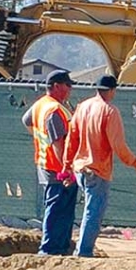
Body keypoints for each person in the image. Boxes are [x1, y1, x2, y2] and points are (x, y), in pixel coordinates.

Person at [63, 74, 136, 257]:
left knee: (89, 209)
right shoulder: (110, 111)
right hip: (97, 169)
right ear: (112, 91)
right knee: (93, 213)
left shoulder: (83, 107)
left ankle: (82, 250)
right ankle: (83, 252)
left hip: (80, 168)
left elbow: (72, 138)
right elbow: (118, 145)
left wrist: (67, 164)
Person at [22, 69, 77, 256]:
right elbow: (58, 143)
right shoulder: (53, 110)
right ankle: (49, 249)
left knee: (61, 208)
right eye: (67, 85)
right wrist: (66, 169)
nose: (70, 89)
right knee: (57, 209)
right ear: (56, 86)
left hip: (46, 163)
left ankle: (59, 247)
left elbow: (27, 121)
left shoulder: (41, 105)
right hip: (56, 167)